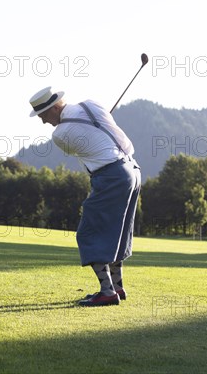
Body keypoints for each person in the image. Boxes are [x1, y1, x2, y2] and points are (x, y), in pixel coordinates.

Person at [29, 86, 141, 307]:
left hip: (111, 175)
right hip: (133, 170)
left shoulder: (60, 135)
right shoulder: (92, 105)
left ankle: (108, 291)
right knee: (117, 232)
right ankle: (117, 286)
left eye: (42, 116)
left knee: (89, 233)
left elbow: (81, 148)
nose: (43, 122)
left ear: (52, 109)